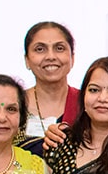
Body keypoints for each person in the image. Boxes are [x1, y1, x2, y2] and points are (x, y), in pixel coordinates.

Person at [21, 21, 81, 157]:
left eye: (59, 48)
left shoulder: (87, 105)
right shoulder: (13, 106)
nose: (50, 57)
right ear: (27, 60)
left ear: (72, 58)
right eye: (40, 49)